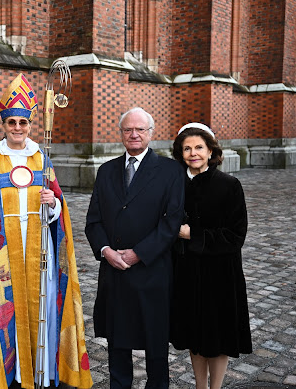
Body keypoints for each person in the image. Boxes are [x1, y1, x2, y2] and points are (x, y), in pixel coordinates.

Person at [0, 74, 93, 388]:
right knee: (6, 308)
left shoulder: (41, 159)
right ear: (4, 125)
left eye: (23, 122)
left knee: (40, 308)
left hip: (39, 251)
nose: (18, 128)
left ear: (30, 125)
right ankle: (9, 373)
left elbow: (57, 212)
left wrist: (53, 204)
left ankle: (40, 369)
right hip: (2, 251)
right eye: (12, 123)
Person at [85, 107, 185, 388]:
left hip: (152, 271)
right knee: (117, 343)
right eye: (128, 129)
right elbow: (93, 221)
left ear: (151, 133)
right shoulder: (106, 171)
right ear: (121, 134)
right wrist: (106, 251)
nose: (134, 134)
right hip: (114, 273)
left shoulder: (170, 171)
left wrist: (139, 252)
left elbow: (172, 221)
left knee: (155, 345)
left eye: (140, 129)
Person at [169, 123, 251, 389]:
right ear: (180, 153)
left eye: (199, 147)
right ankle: (200, 387)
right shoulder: (176, 185)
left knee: (218, 336)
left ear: (211, 150)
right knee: (195, 333)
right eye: (187, 148)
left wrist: (194, 235)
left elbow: (236, 235)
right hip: (187, 271)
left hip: (220, 272)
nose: (193, 153)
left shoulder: (229, 185)